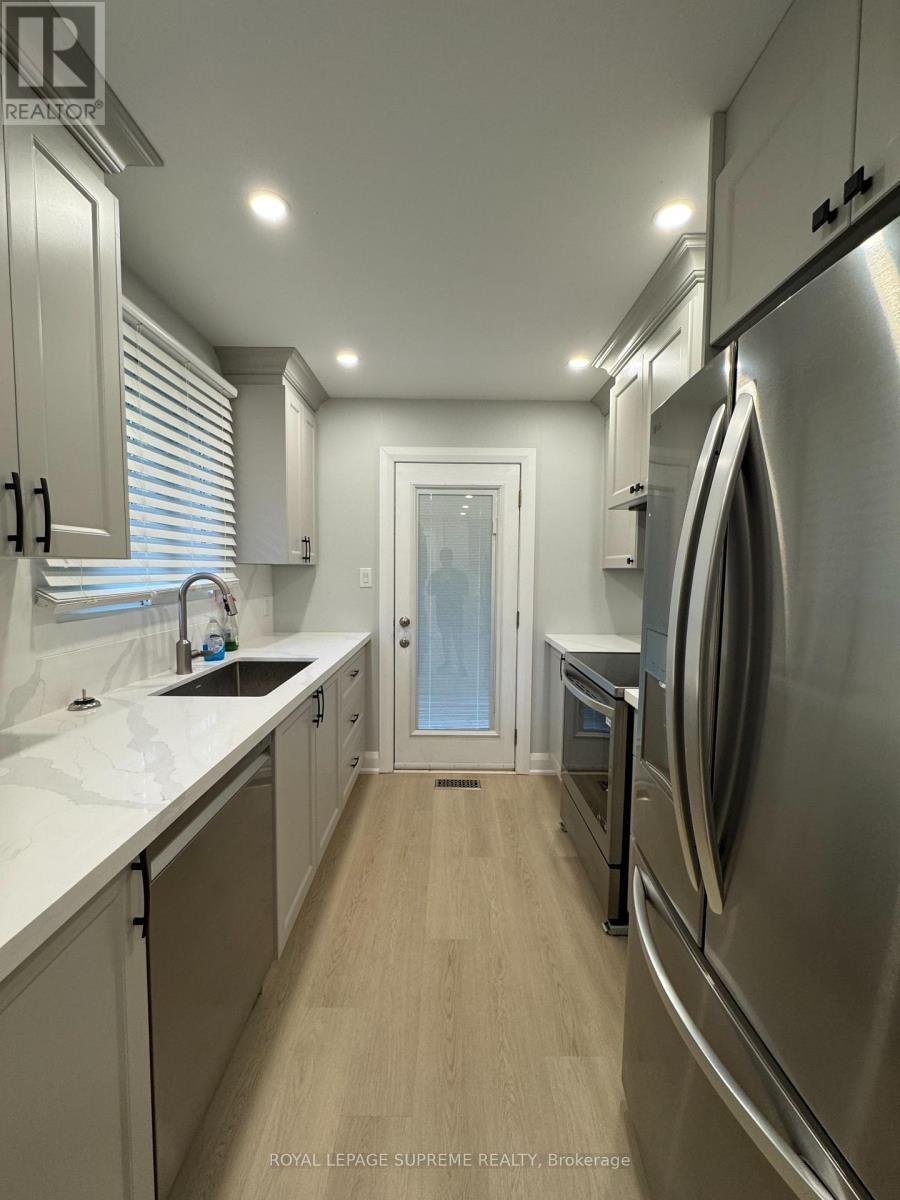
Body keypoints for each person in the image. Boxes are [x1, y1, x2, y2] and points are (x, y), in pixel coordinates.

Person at [427, 547, 469, 673]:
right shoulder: (436, 575)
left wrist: (451, 585)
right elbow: (429, 591)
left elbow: (466, 591)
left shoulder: (459, 575)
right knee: (445, 637)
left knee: (457, 637)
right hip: (442, 611)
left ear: (451, 559)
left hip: (456, 610)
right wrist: (440, 583)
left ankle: (461, 664)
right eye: (443, 558)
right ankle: (448, 662)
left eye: (448, 557)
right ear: (440, 559)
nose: (445, 560)